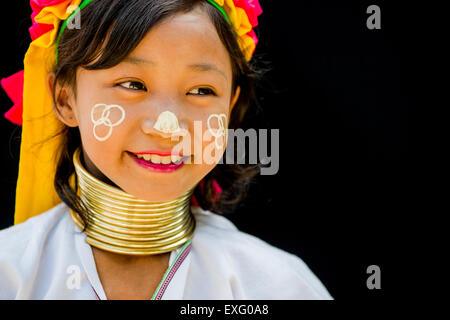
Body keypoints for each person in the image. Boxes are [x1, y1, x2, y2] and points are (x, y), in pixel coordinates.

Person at [0, 0, 332, 300]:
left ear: (230, 104)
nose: (167, 126)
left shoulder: (275, 285)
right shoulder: (11, 274)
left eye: (201, 90)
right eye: (133, 85)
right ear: (64, 98)